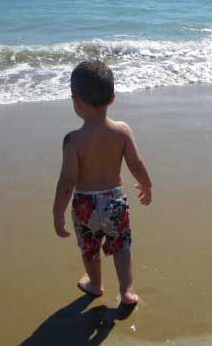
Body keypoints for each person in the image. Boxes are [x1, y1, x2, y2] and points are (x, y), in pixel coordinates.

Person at [53, 60, 152, 305]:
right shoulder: (122, 131)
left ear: (75, 101)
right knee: (121, 246)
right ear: (113, 98)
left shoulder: (73, 140)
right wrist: (146, 185)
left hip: (85, 206)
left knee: (90, 248)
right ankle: (126, 291)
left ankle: (95, 285)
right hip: (114, 202)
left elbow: (67, 181)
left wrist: (58, 211)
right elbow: (136, 164)